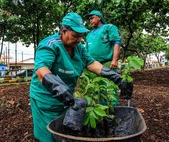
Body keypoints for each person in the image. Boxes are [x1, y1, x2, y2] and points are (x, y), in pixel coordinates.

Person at [29, 12, 131, 142]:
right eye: (75, 36)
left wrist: (116, 77)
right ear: (64, 31)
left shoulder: (79, 49)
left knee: (65, 130)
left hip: (66, 98)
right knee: (50, 135)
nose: (79, 40)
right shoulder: (50, 45)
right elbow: (41, 71)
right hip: (45, 98)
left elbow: (92, 64)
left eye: (81, 36)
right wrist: (59, 89)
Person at [85, 10, 122, 105]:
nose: (90, 20)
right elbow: (86, 51)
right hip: (93, 66)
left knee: (109, 89)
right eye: (89, 19)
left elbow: (116, 42)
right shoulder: (89, 35)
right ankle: (102, 113)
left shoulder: (109, 27)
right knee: (97, 90)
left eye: (92, 18)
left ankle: (113, 112)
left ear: (99, 17)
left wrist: (114, 60)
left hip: (107, 63)